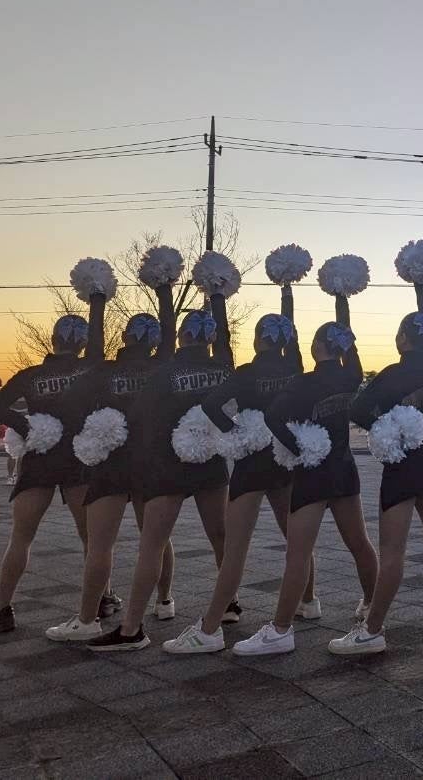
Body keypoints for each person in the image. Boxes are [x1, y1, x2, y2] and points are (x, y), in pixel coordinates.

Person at [165, 245, 320, 655]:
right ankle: (309, 600)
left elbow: (212, 406)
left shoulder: (245, 374)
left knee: (235, 550)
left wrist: (234, 434)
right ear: (286, 341)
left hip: (252, 466)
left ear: (256, 341)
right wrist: (286, 291)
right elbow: (292, 332)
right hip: (284, 461)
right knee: (295, 541)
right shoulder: (294, 368)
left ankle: (210, 629)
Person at [89, 252, 240, 652]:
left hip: (167, 466)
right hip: (211, 463)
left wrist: (165, 291)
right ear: (210, 339)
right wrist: (218, 296)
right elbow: (224, 339)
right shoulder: (224, 365)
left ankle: (132, 629)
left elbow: (142, 417)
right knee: (221, 537)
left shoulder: (164, 370)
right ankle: (228, 604)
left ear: (180, 338)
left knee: (152, 545)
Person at [232, 254, 380, 656]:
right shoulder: (350, 377)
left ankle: (281, 629)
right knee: (360, 544)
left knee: (297, 554)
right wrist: (342, 301)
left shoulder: (302, 383)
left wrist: (297, 447)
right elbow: (350, 343)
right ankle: (372, 607)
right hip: (344, 472)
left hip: (313, 477)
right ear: (344, 348)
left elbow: (273, 420)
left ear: (316, 347)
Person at [328, 237, 423, 656]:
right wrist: (421, 285)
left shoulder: (389, 375)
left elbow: (357, 409)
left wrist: (386, 425)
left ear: (405, 338)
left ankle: (372, 630)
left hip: (403, 467)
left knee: (392, 551)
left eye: (399, 332)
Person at [43, 246, 181, 642]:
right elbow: (169, 335)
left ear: (124, 337)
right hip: (152, 463)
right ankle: (164, 600)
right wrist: (165, 289)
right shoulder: (161, 366)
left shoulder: (104, 368)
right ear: (154, 342)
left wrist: (98, 300)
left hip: (112, 464)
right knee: (155, 541)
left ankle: (87, 620)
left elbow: (96, 344)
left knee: (100, 545)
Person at [0, 263, 111, 634]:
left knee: (21, 537)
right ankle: (102, 599)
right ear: (81, 345)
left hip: (40, 457)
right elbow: (98, 342)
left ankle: (2, 608)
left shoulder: (31, 375)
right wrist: (97, 299)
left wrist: (28, 427)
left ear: (52, 340)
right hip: (79, 459)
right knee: (91, 539)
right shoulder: (90, 368)